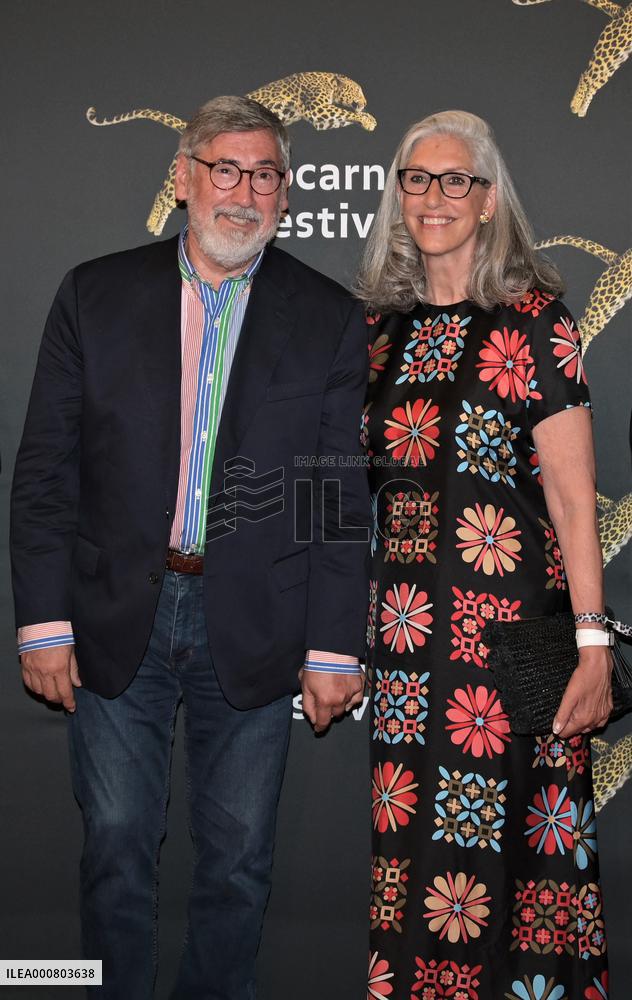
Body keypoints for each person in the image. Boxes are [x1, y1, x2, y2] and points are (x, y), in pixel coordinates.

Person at [10, 96, 369, 1000]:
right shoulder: (94, 294)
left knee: (240, 860)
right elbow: (47, 471)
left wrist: (334, 642)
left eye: (264, 175)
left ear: (285, 192)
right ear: (183, 177)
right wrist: (43, 622)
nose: (243, 192)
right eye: (225, 169)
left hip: (253, 625)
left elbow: (333, 492)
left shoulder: (325, 315)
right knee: (116, 846)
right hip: (111, 615)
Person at [357, 110, 611, 1000]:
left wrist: (593, 644)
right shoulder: (375, 336)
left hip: (509, 654)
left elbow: (576, 499)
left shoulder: (535, 321)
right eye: (417, 180)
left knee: (521, 881)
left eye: (454, 179)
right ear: (398, 198)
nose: (434, 197)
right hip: (405, 651)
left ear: (489, 197)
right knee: (416, 875)